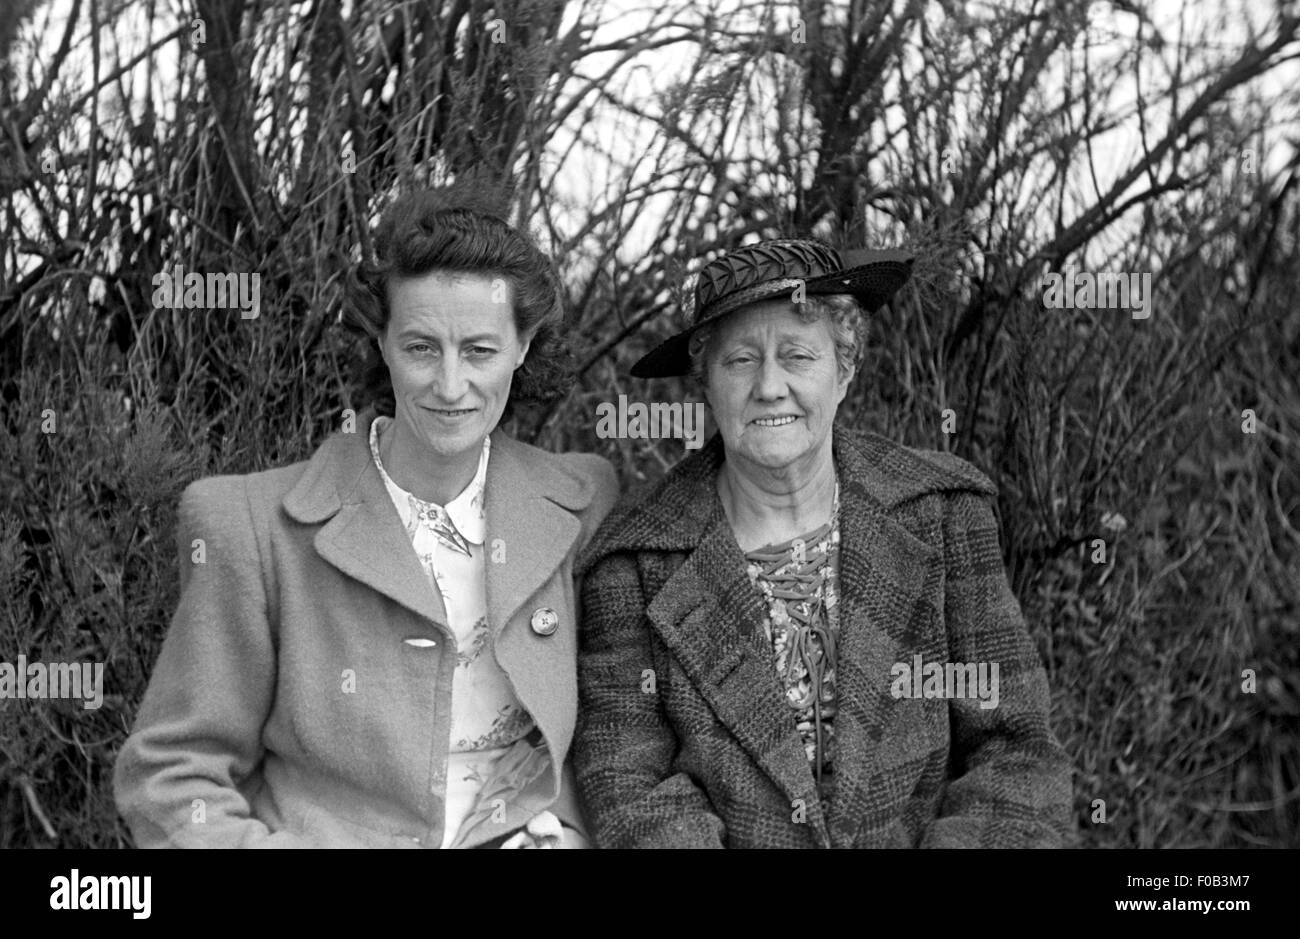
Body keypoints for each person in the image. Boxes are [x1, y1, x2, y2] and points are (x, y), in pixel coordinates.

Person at [114, 189, 618, 848]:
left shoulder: (585, 502)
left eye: (479, 351)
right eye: (420, 347)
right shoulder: (252, 526)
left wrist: (573, 833)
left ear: (523, 346)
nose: (449, 383)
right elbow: (171, 777)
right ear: (380, 341)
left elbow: (621, 731)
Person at [573, 238, 1072, 847]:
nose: (770, 386)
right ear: (706, 383)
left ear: (845, 369)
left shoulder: (941, 514)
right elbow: (629, 788)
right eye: (740, 361)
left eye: (798, 356)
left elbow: (1014, 750)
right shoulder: (634, 565)